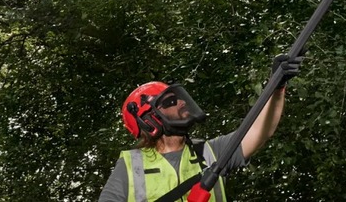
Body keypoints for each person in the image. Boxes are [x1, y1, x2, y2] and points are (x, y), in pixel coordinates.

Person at [99, 53, 303, 202]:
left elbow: (259, 132)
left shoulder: (211, 152)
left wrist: (277, 87)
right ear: (149, 121)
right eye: (169, 103)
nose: (181, 103)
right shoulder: (130, 166)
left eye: (177, 99)